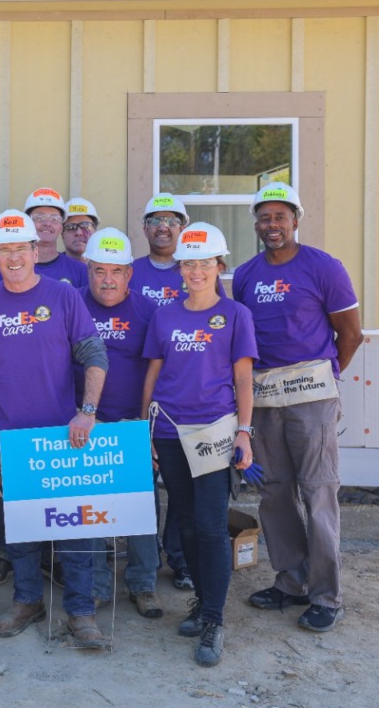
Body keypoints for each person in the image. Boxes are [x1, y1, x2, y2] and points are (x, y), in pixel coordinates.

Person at [0, 210, 108, 644]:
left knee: (76, 529)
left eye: (21, 248)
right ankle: (27, 599)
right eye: (5, 249)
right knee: (18, 530)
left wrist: (87, 411)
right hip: (2, 437)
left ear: (36, 250)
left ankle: (81, 612)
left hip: (60, 438)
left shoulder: (64, 297)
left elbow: (95, 356)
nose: (14, 257)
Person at [233, 183, 363, 633]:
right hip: (264, 401)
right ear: (256, 223)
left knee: (318, 493)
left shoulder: (324, 267)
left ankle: (326, 595)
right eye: (265, 218)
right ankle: (290, 582)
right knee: (274, 493)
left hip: (312, 401)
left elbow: (350, 334)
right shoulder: (247, 275)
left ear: (296, 220)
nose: (273, 225)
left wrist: (325, 379)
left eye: (280, 217)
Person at [141, 222, 258, 667]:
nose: (195, 270)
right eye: (187, 263)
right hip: (170, 432)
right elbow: (154, 373)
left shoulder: (235, 315)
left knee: (210, 526)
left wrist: (245, 431)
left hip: (214, 434)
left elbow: (243, 377)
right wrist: (145, 425)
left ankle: (213, 619)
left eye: (203, 263)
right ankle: (202, 603)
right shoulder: (166, 315)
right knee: (185, 522)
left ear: (219, 266)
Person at [75, 228, 162, 618]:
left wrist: (148, 426)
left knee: (140, 507)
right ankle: (96, 585)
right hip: (86, 425)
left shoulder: (148, 312)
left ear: (130, 273)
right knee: (90, 509)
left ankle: (143, 583)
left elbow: (160, 370)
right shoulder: (72, 305)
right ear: (86, 269)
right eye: (98, 271)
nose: (106, 280)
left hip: (132, 424)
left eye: (115, 271)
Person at [128, 193, 197, 590]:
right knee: (144, 476)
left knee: (180, 478)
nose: (163, 227)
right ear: (145, 228)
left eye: (172, 220)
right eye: (155, 219)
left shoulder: (193, 271)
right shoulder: (130, 270)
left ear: (182, 228)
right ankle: (147, 555)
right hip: (136, 388)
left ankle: (180, 556)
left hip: (180, 392)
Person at [0, 189, 87, 288]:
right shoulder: (4, 268)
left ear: (61, 227)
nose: (47, 223)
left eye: (54, 219)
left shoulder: (80, 270)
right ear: (28, 223)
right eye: (39, 218)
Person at [61, 197, 100, 265]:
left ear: (95, 231)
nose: (79, 233)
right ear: (62, 233)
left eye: (86, 226)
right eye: (71, 227)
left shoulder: (107, 268)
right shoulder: (50, 270)